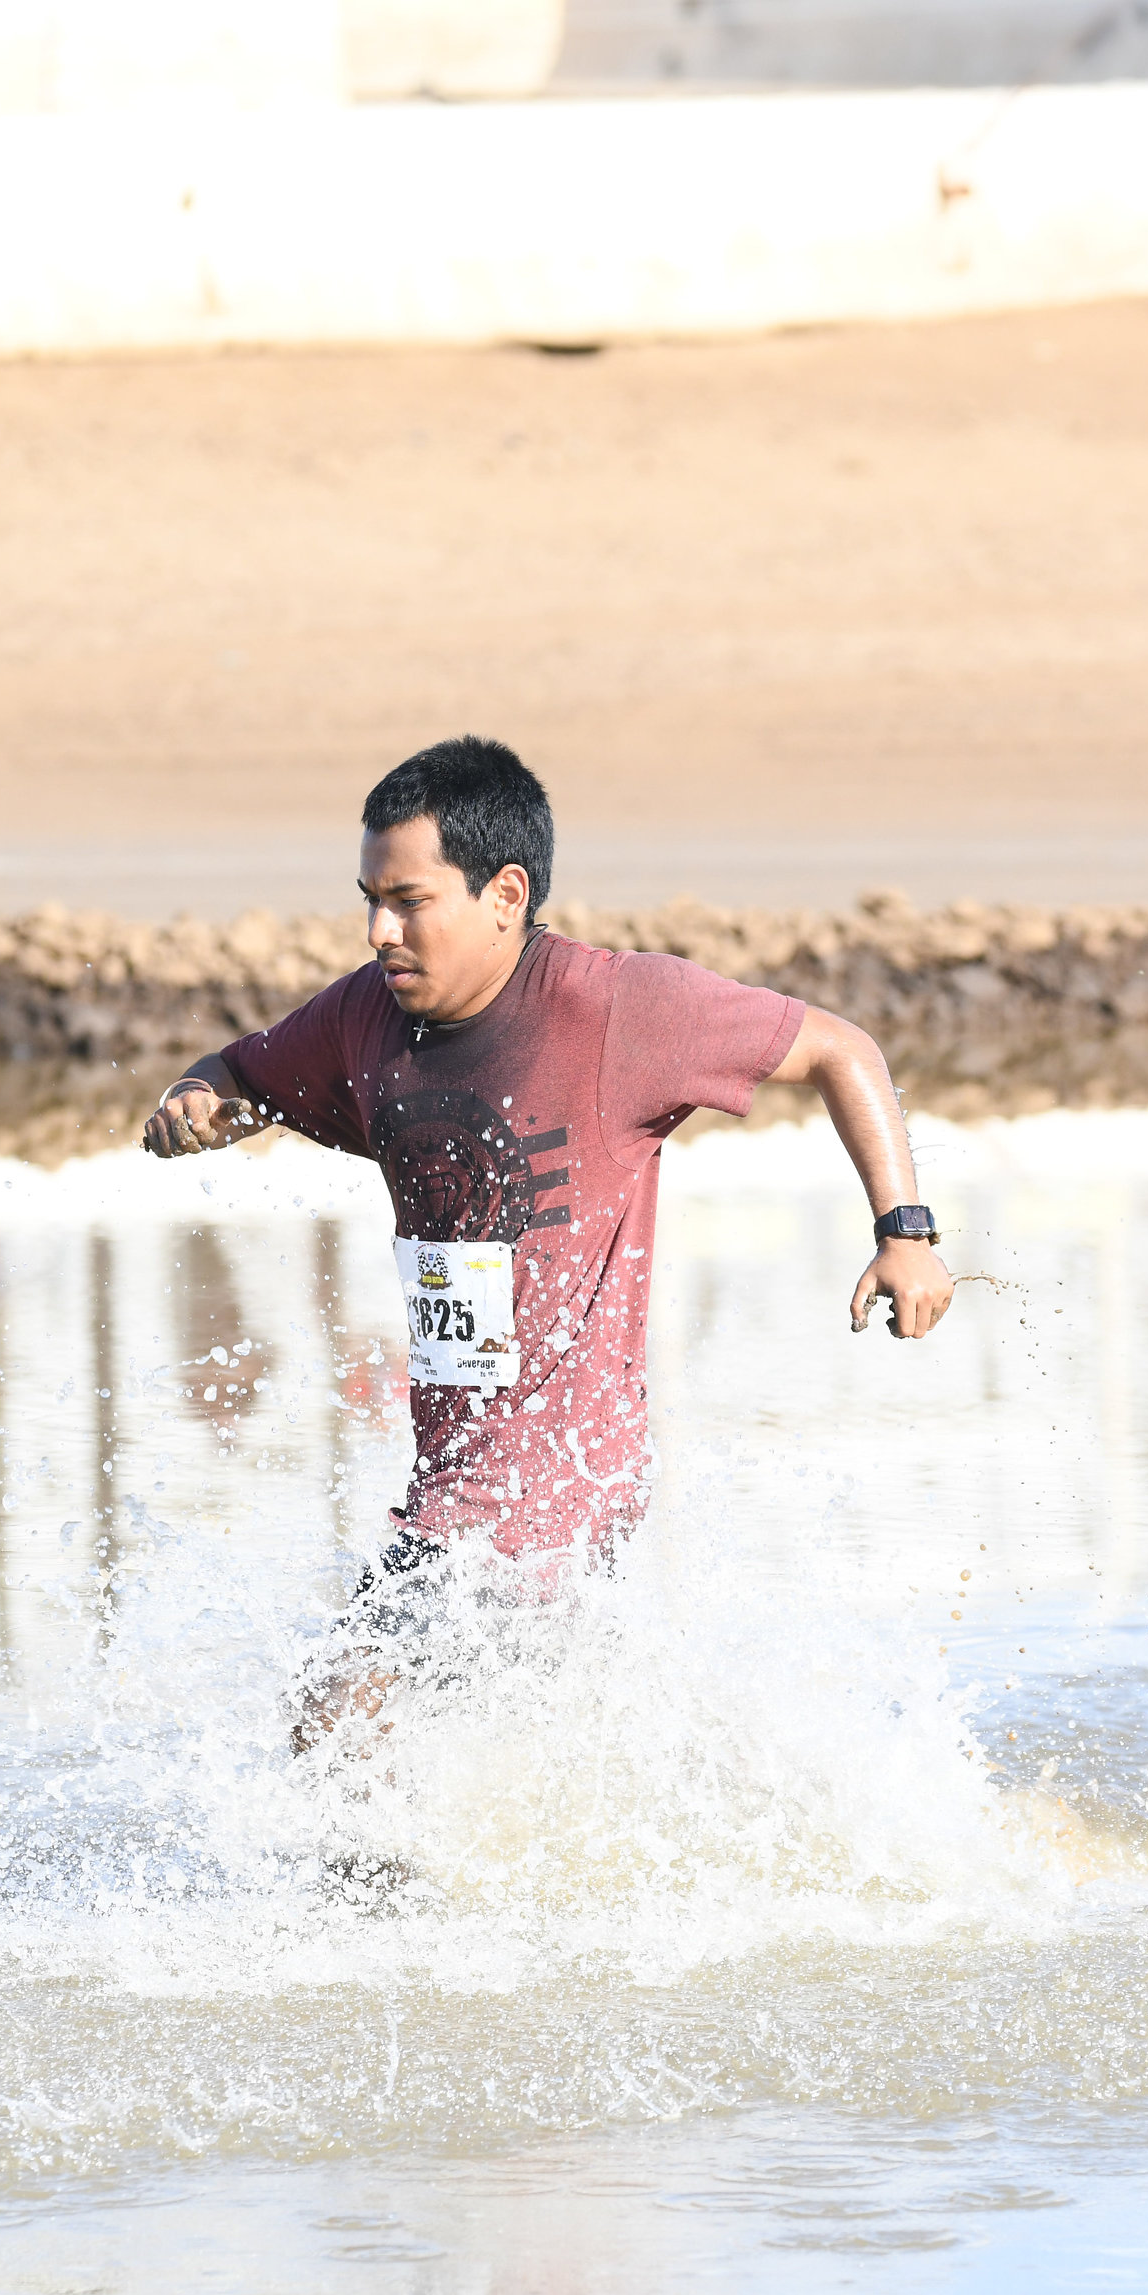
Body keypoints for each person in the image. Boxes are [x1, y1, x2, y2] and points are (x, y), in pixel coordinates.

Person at [139, 735, 955, 1751]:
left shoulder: (616, 1009)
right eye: (370, 900)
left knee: (334, 1721)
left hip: (552, 1475)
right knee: (465, 1750)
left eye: (409, 902)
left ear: (506, 894)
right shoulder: (363, 1019)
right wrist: (197, 1100)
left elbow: (840, 1048)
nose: (380, 931)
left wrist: (904, 1232)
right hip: (456, 1473)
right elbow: (242, 1075)